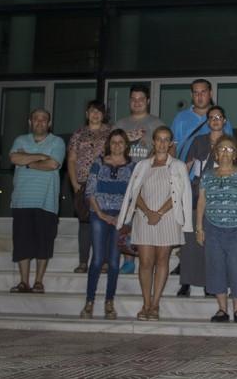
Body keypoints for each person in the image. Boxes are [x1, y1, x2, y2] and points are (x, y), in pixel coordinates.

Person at [117, 126, 192, 321]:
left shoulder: (178, 166)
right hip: (144, 218)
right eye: (159, 139)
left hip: (167, 218)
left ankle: (156, 304)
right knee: (145, 262)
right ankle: (146, 303)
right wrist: (148, 212)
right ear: (153, 142)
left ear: (171, 143)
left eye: (166, 139)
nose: (162, 143)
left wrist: (159, 213)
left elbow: (180, 194)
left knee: (162, 261)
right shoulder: (142, 165)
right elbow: (135, 192)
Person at [196, 135, 237, 323]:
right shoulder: (207, 176)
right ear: (216, 153)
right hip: (213, 228)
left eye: (230, 149)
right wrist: (199, 228)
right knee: (216, 267)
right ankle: (222, 309)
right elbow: (202, 202)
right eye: (222, 149)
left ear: (235, 155)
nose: (225, 152)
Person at [8, 108, 65, 294]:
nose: (40, 122)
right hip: (22, 201)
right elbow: (14, 157)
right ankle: (23, 282)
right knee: (22, 243)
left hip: (46, 201)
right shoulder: (20, 140)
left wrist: (27, 162)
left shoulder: (57, 142)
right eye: (36, 119)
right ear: (30, 122)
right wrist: (40, 156)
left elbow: (53, 164)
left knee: (43, 243)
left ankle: (38, 282)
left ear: (49, 123)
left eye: (44, 120)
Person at [80, 128, 134, 320]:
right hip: (99, 214)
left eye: (121, 142)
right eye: (114, 142)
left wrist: (121, 217)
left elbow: (133, 196)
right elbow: (90, 192)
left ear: (126, 145)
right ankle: (89, 302)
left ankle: (109, 302)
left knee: (113, 262)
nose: (117, 145)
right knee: (97, 259)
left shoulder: (132, 167)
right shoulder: (98, 163)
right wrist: (102, 214)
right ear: (108, 145)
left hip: (120, 217)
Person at [177, 105, 229, 298]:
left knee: (212, 243)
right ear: (207, 121)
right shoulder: (199, 141)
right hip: (196, 194)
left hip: (219, 197)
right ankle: (186, 282)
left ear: (224, 120)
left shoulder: (229, 142)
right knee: (190, 241)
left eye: (219, 117)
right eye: (212, 117)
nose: (215, 120)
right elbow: (187, 165)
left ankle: (210, 283)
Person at [66, 100, 111, 273]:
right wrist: (74, 183)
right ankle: (83, 261)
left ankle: (104, 261)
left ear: (103, 114)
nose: (95, 114)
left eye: (99, 111)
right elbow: (71, 159)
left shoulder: (110, 132)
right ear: (87, 114)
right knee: (85, 224)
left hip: (104, 183)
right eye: (92, 111)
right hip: (83, 183)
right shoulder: (79, 133)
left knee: (105, 221)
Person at [171, 79, 233, 170]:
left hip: (215, 173)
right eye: (196, 93)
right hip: (185, 173)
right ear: (191, 95)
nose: (199, 96)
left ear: (210, 93)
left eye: (203, 92)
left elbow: (231, 148)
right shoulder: (181, 118)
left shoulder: (221, 119)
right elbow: (172, 146)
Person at [115, 83, 165, 163]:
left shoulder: (157, 124)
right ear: (129, 101)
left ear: (148, 101)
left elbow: (167, 149)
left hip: (148, 172)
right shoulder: (119, 125)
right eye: (133, 99)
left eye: (141, 99)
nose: (136, 102)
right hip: (123, 171)